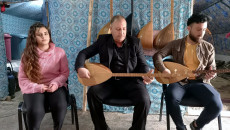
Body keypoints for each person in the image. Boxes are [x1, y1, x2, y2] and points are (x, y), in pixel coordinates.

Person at [75, 15, 154, 130]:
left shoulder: (135, 42)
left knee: (145, 100)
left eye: (124, 29)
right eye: (118, 29)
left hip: (131, 82)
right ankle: (102, 128)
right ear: (111, 28)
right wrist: (80, 67)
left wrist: (146, 74)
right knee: (92, 94)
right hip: (108, 82)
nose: (121, 32)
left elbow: (143, 65)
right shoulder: (103, 40)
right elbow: (83, 53)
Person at [153, 13, 223, 130]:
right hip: (179, 82)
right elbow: (158, 55)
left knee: (217, 105)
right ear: (189, 28)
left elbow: (212, 67)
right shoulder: (176, 44)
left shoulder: (208, 47)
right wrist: (163, 69)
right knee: (170, 96)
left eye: (204, 29)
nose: (201, 33)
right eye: (198, 29)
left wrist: (211, 74)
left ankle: (196, 125)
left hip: (199, 82)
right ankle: (181, 127)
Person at [18, 22, 69, 130]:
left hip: (55, 85)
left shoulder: (60, 52)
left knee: (60, 106)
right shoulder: (26, 55)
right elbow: (22, 79)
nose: (43, 36)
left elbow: (64, 73)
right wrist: (37, 87)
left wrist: (55, 83)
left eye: (46, 33)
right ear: (33, 38)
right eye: (39, 34)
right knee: (36, 111)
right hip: (34, 87)